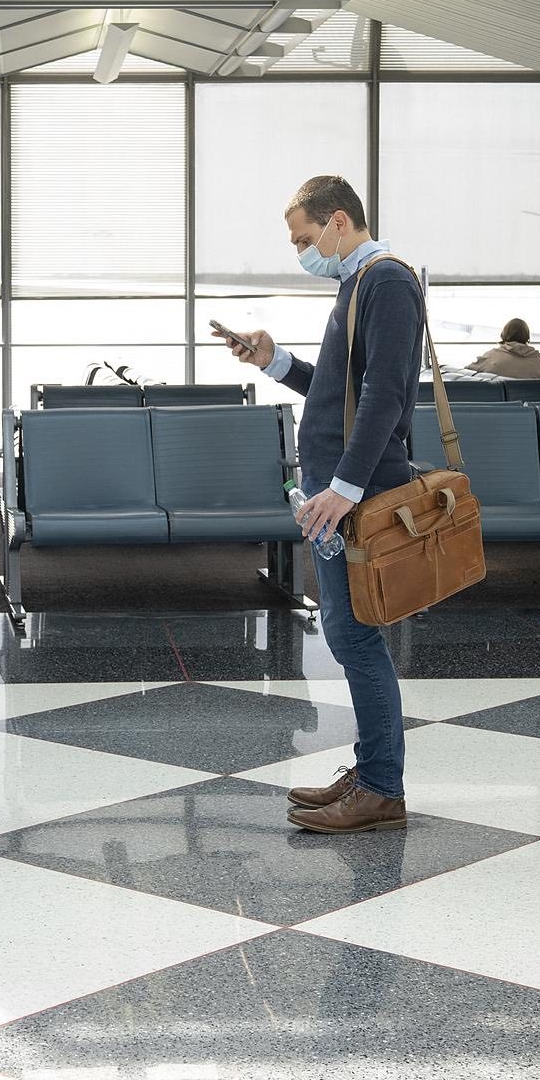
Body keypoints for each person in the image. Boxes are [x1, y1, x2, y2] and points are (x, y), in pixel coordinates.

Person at [211, 175, 419, 836]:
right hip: (338, 489)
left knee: (356, 634)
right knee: (351, 631)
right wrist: (274, 362)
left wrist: (346, 487)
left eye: (305, 238)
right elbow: (338, 392)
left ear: (337, 221)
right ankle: (372, 769)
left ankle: (383, 785)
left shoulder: (385, 281)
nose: (302, 250)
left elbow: (386, 396)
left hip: (353, 493)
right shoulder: (357, 283)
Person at [464, 318, 540, 378]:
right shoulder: (537, 358)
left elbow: (466, 372)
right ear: (527, 336)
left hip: (498, 401)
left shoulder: (492, 356)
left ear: (504, 334)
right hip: (528, 400)